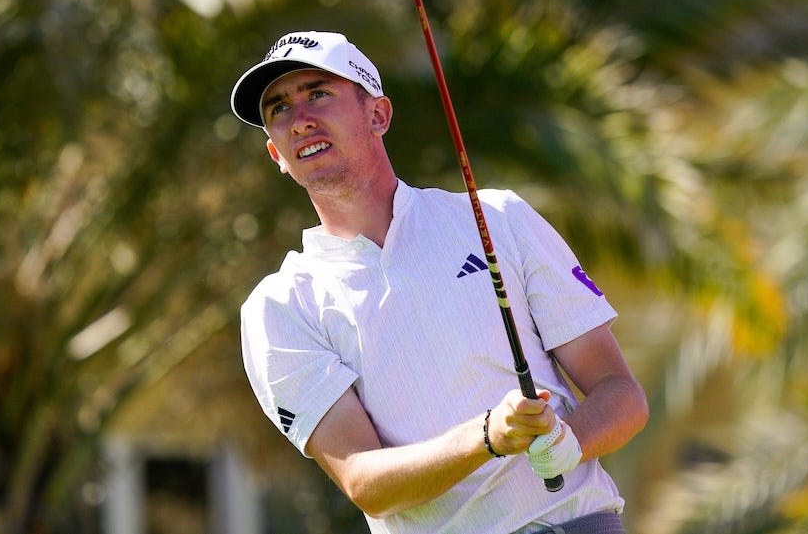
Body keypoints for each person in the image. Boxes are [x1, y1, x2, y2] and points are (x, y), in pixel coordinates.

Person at [231, 30, 648, 534]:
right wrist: (487, 437)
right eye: (278, 109)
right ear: (275, 153)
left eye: (318, 93)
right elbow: (365, 482)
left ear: (378, 115)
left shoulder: (499, 218)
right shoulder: (279, 307)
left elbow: (620, 393)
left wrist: (571, 440)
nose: (299, 120)